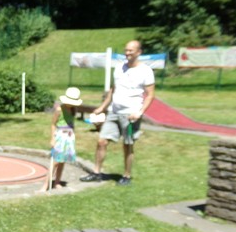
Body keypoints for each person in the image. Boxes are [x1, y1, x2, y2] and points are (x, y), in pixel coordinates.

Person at [79, 40, 155, 186]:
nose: (127, 53)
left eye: (130, 51)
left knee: (127, 145)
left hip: (131, 115)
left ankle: (126, 176)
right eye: (126, 50)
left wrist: (140, 112)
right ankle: (96, 173)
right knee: (101, 141)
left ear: (138, 52)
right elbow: (114, 89)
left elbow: (150, 95)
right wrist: (102, 107)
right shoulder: (120, 68)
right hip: (113, 111)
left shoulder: (145, 71)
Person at [46, 87, 82, 189]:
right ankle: (46, 184)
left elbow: (71, 124)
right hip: (60, 137)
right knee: (56, 161)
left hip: (69, 138)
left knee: (63, 161)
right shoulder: (59, 110)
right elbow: (53, 124)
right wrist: (52, 138)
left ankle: (57, 181)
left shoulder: (73, 110)